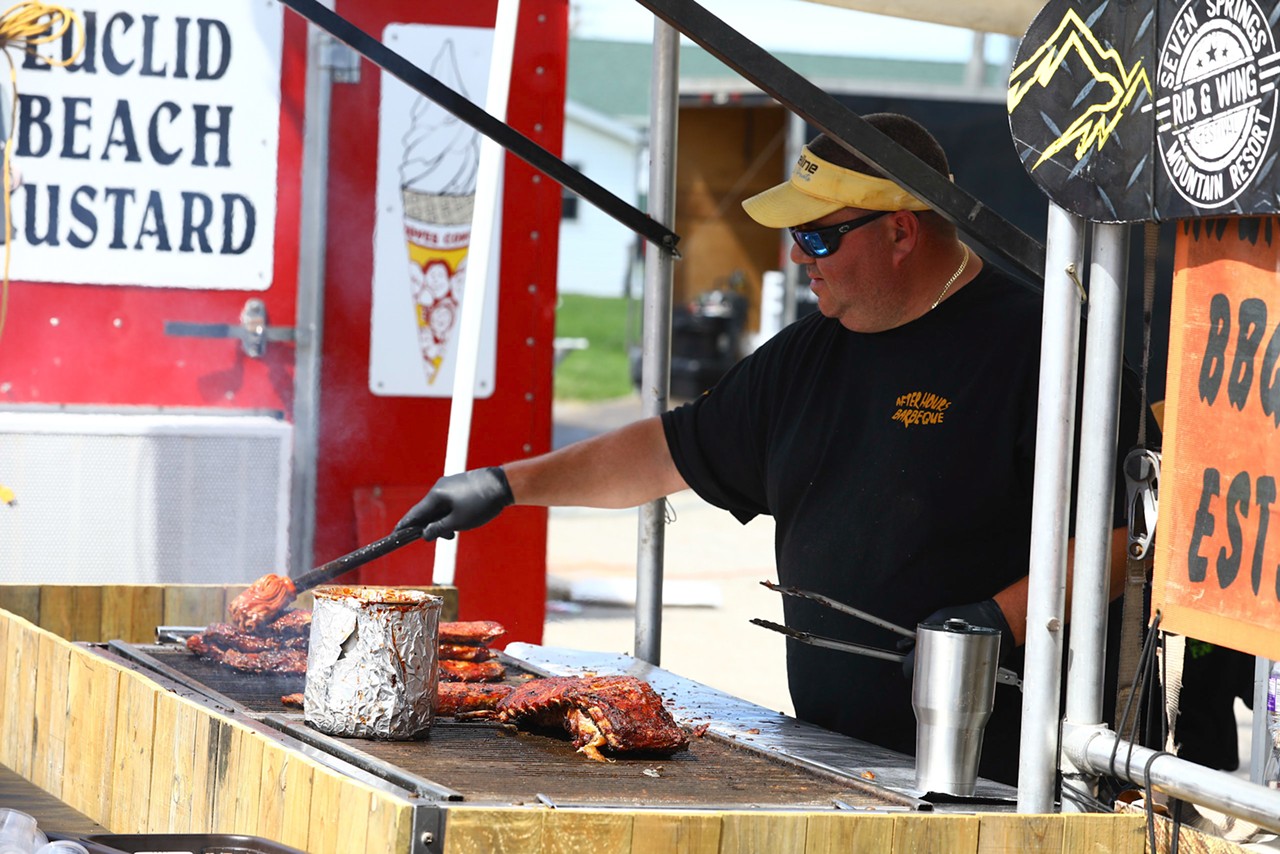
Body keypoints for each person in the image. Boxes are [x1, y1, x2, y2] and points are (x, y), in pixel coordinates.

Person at [397, 113, 1146, 786]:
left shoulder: (1042, 353)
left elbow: (1137, 529)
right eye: (794, 237)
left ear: (901, 231)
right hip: (841, 756)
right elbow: (665, 453)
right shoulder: (805, 357)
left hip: (1011, 771)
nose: (798, 258)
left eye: (818, 236)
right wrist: (504, 483)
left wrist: (997, 618)